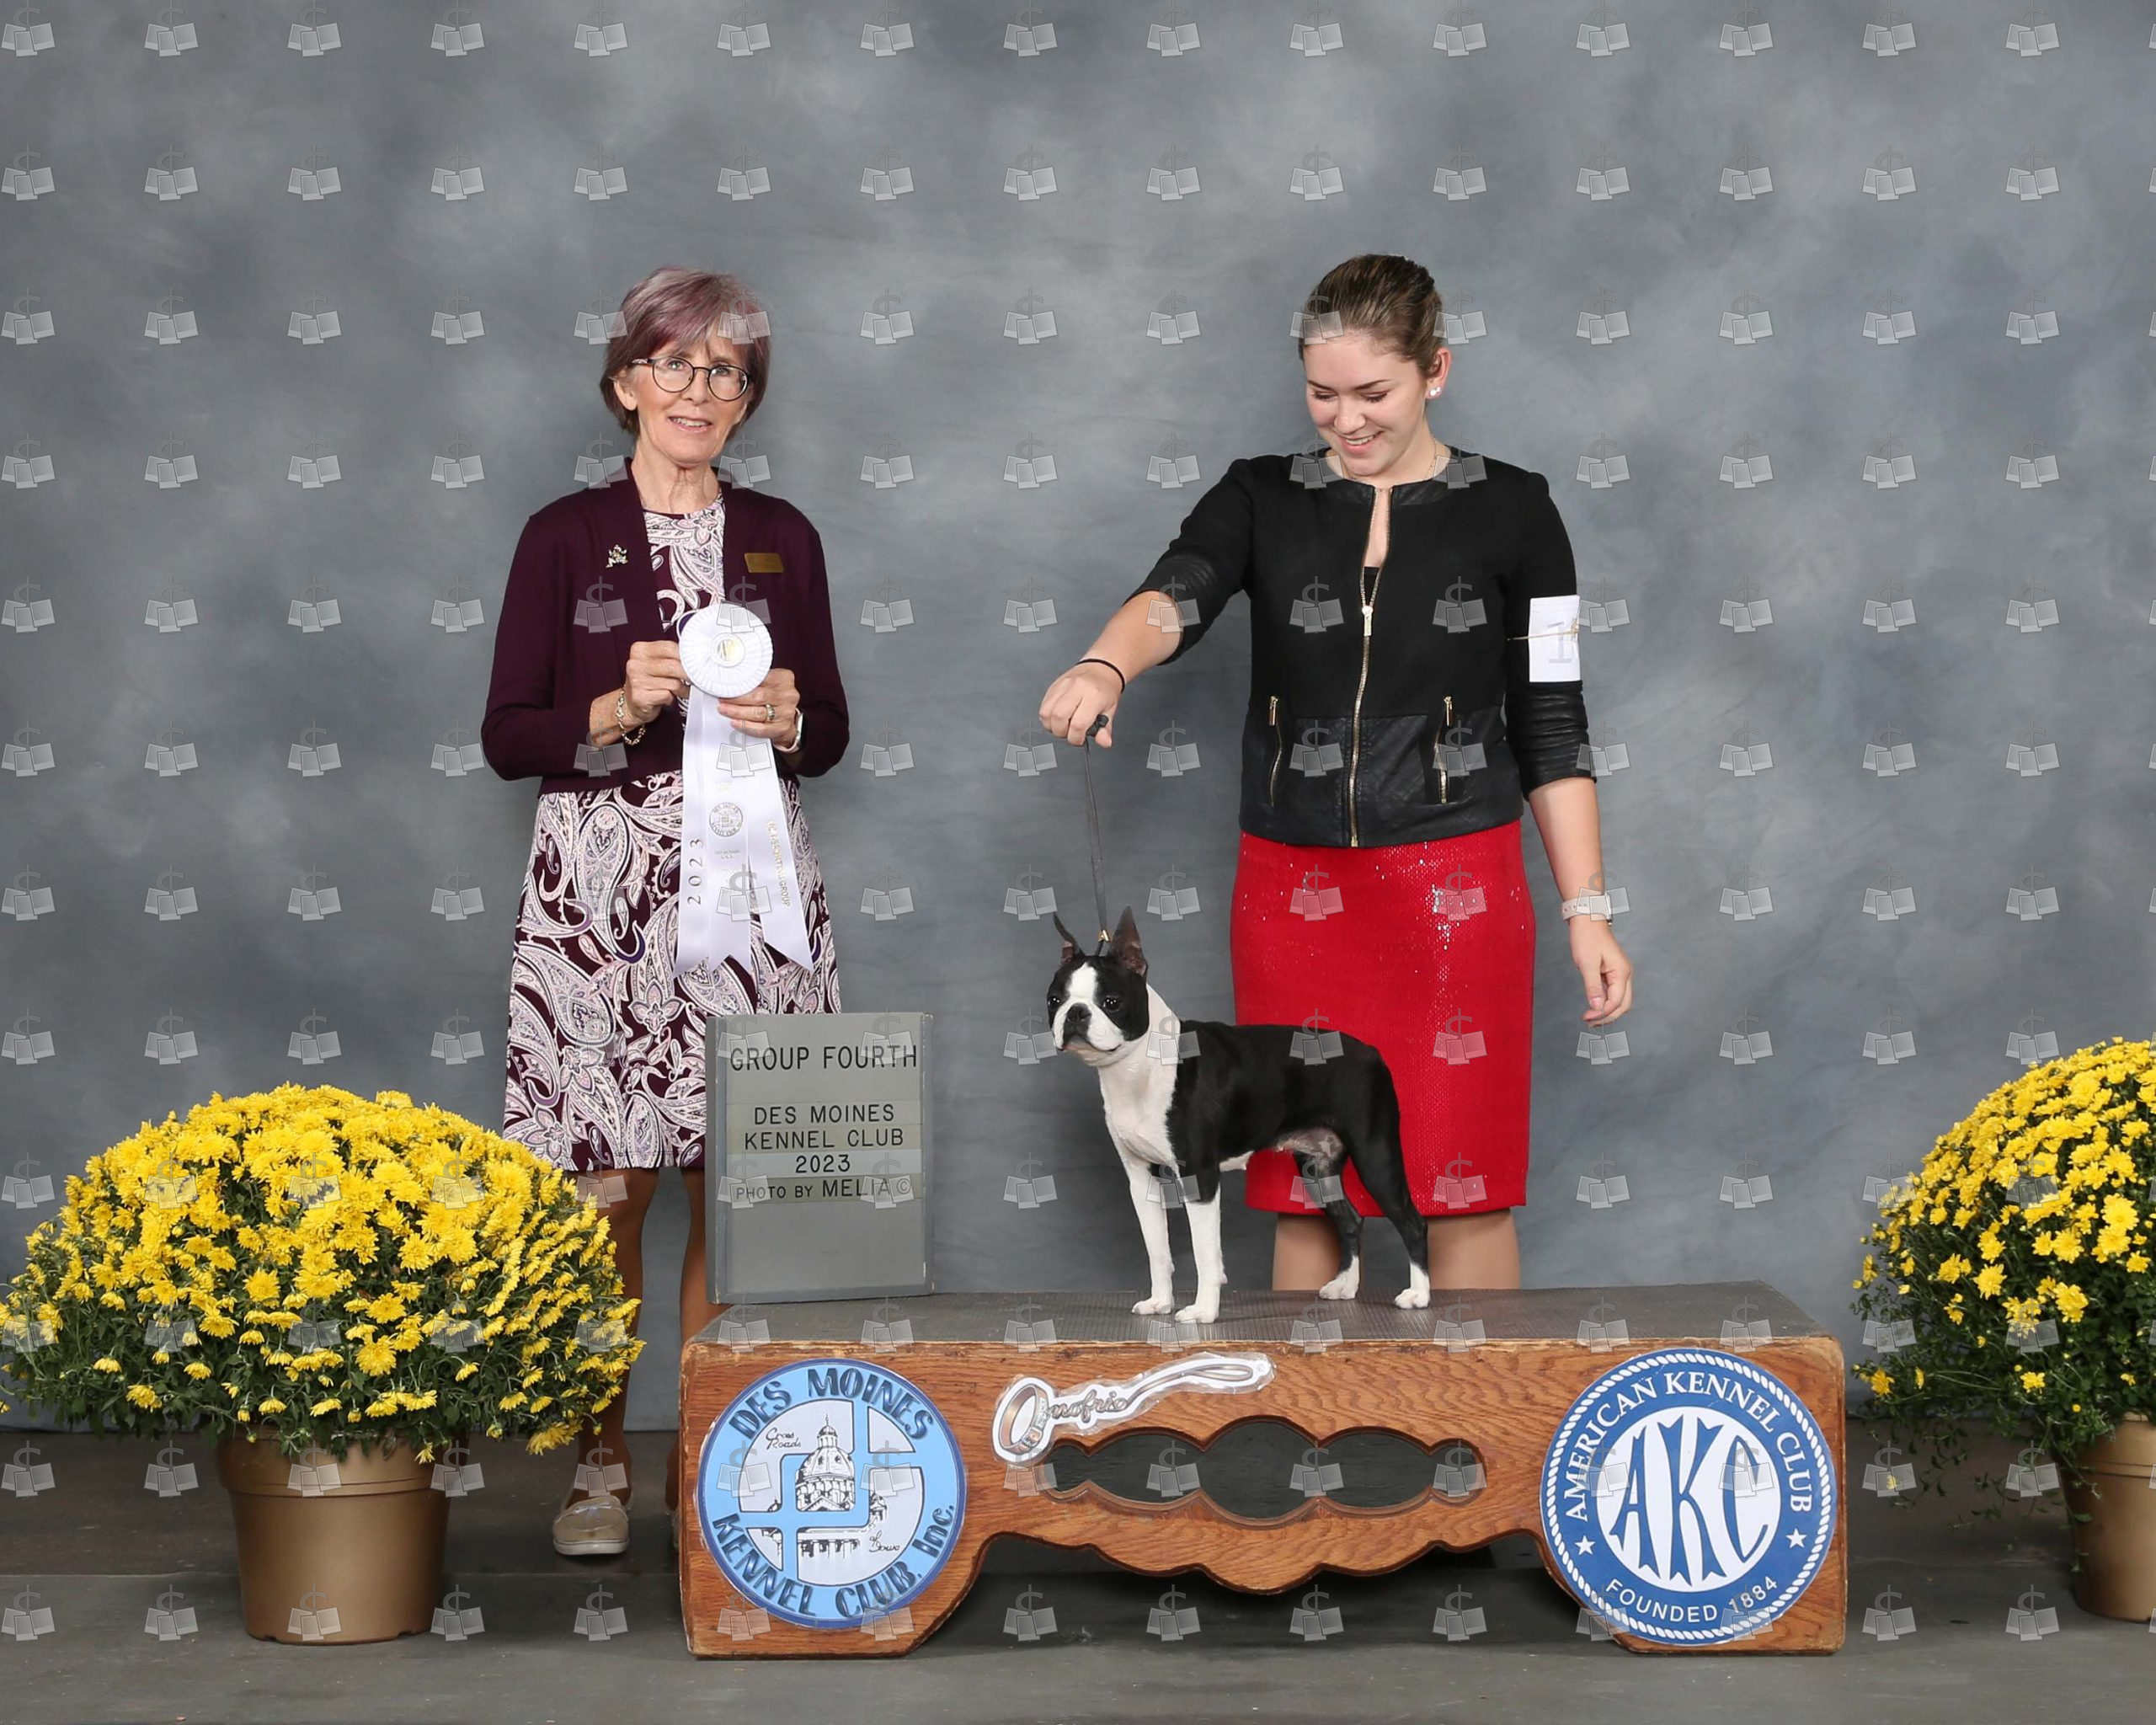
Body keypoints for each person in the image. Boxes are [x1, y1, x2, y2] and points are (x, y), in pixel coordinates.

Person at [1038, 253, 1633, 1297]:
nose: (1345, 420)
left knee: (1460, 1177)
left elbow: (1551, 712)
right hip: (1294, 886)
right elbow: (1179, 590)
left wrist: (1586, 908)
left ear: (1436, 369)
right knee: (1302, 1178)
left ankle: (1480, 1400)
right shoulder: (1259, 494)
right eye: (1322, 394)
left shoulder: (1517, 508)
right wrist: (1105, 661)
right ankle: (1312, 1411)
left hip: (1457, 886)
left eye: (1373, 393)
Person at [481, 264, 850, 1557]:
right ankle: (596, 1461)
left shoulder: (785, 536)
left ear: (748, 398)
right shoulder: (561, 536)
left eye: (726, 370)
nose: (700, 389)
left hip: (753, 894)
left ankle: (711, 1455)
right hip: (600, 895)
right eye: (675, 363)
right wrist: (614, 706)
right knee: (606, 1188)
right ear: (626, 381)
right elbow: (507, 736)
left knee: (738, 1181)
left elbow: (830, 734)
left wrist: (789, 717)